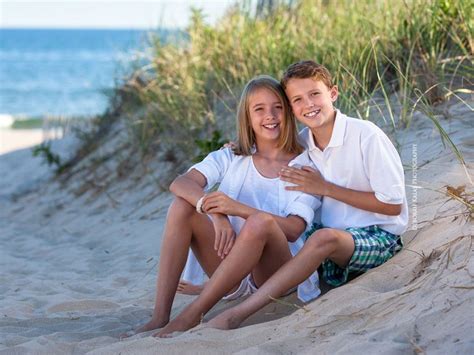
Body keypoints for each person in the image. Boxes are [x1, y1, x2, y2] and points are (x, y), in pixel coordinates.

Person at [206, 60, 408, 330]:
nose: (309, 104)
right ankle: (227, 285)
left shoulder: (365, 135)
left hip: (377, 237)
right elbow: (268, 143)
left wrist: (325, 188)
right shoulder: (303, 142)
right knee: (291, 225)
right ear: (291, 108)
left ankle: (239, 313)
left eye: (315, 94)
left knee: (321, 237)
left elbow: (392, 206)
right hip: (328, 245)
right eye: (298, 99)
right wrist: (241, 145)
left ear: (333, 94)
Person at [132, 75, 321, 337]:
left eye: (277, 107)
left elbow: (292, 229)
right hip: (229, 269)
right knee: (181, 207)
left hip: (274, 273)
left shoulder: (304, 166)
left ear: (288, 112)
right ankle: (160, 316)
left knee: (260, 223)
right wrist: (215, 212)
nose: (270, 115)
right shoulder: (232, 155)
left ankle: (191, 315)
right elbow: (181, 183)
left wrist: (235, 208)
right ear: (247, 116)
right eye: (259, 109)